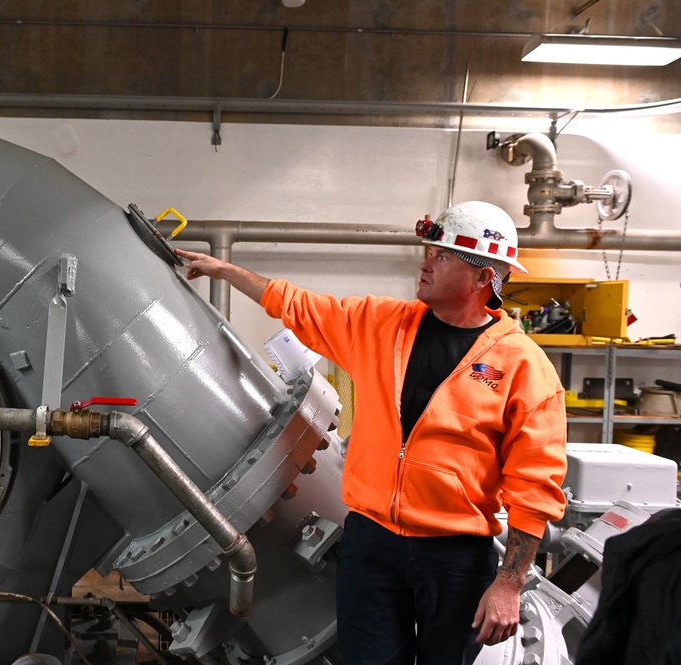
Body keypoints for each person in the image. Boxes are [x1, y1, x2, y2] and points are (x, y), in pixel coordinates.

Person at [176, 201, 568, 665]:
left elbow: (535, 485)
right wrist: (225, 271)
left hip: (456, 555)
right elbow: (298, 304)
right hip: (371, 541)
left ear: (484, 279)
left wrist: (509, 583)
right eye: (429, 251)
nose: (426, 263)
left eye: (443, 257)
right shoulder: (383, 325)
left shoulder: (523, 366)